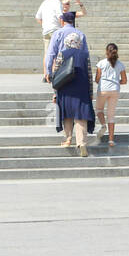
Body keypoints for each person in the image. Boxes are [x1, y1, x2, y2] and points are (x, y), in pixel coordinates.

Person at [49, 11, 94, 157]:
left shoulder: (63, 54)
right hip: (81, 88)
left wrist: (55, 91)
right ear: (78, 42)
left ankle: (68, 139)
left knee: (67, 114)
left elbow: (57, 72)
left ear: (68, 42)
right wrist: (91, 91)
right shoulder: (84, 55)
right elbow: (89, 74)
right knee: (81, 115)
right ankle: (82, 143)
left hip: (66, 87)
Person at [94, 43, 127, 148]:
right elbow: (124, 80)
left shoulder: (101, 63)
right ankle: (111, 140)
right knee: (111, 115)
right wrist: (116, 82)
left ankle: (103, 125)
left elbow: (97, 79)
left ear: (106, 51)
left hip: (103, 89)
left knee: (99, 110)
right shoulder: (120, 64)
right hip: (115, 90)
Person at [35, 0, 64, 82]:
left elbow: (38, 17)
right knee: (56, 53)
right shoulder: (57, 2)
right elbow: (60, 16)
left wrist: (44, 25)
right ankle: (54, 74)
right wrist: (64, 28)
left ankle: (46, 75)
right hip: (55, 30)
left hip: (46, 30)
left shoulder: (44, 3)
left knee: (47, 53)